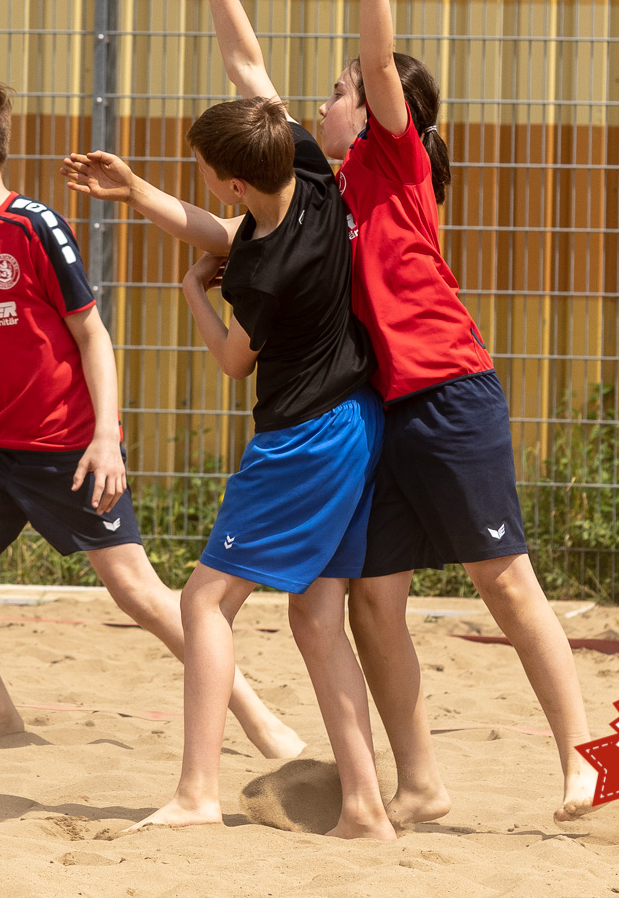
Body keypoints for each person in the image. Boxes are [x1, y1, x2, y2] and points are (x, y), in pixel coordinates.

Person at [73, 0, 597, 825]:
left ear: (378, 109)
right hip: (372, 410)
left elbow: (371, 70)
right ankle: (418, 785)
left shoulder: (395, 161)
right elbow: (245, 69)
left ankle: (583, 764)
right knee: (368, 606)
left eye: (342, 89)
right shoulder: (310, 180)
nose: (328, 96)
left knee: (506, 580)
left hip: (446, 392)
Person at [0, 79, 303, 759]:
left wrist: (106, 439)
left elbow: (94, 336)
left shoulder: (34, 226)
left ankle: (264, 723)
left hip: (68, 448)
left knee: (140, 594)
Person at [63, 95, 394, 838]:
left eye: (206, 173)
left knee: (204, 603)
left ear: (233, 185)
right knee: (315, 614)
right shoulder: (312, 176)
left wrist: (190, 293)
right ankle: (366, 806)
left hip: (300, 439)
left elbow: (234, 361)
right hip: (358, 422)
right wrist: (138, 189)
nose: (205, 182)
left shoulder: (264, 271)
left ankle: (196, 792)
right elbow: (248, 75)